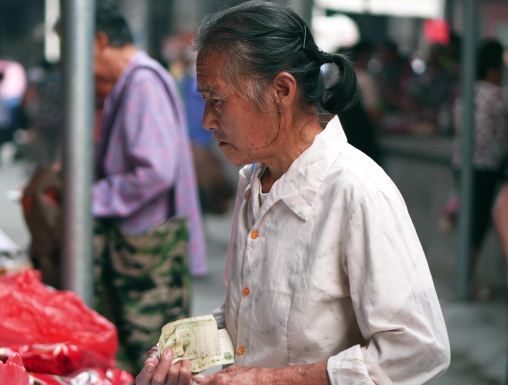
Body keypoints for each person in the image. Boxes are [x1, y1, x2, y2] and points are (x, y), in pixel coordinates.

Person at [136, 2, 450, 384]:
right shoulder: (253, 181)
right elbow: (250, 317)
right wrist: (180, 353)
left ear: (281, 90)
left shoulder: (358, 191)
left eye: (217, 101)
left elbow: (420, 348)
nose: (206, 120)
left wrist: (271, 379)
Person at [88, 0, 207, 371]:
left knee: (155, 356)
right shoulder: (131, 81)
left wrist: (91, 199)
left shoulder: (141, 82)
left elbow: (155, 171)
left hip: (148, 249)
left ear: (99, 41)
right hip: (139, 245)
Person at [452, 39, 508, 296]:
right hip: (486, 167)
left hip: (462, 165)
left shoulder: (466, 91)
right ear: (495, 68)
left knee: (469, 222)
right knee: (477, 225)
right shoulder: (500, 96)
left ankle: (464, 278)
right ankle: (466, 282)